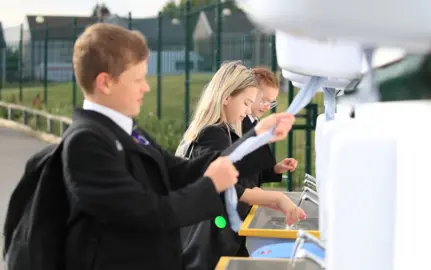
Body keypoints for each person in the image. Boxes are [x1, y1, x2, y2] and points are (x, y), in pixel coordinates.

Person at [63, 23, 296, 270]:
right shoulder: (86, 142)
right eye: (138, 79)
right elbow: (148, 212)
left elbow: (179, 170)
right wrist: (211, 185)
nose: (146, 87)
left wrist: (257, 135)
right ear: (105, 83)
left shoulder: (127, 131)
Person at [176, 61, 306, 268]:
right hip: (208, 244)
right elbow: (221, 184)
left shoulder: (224, 132)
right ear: (226, 97)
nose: (248, 112)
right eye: (246, 103)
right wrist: (275, 198)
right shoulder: (214, 134)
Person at [242, 67, 298, 187]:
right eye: (264, 100)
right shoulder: (239, 126)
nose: (267, 106)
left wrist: (276, 169)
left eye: (271, 102)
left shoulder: (254, 123)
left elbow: (254, 171)